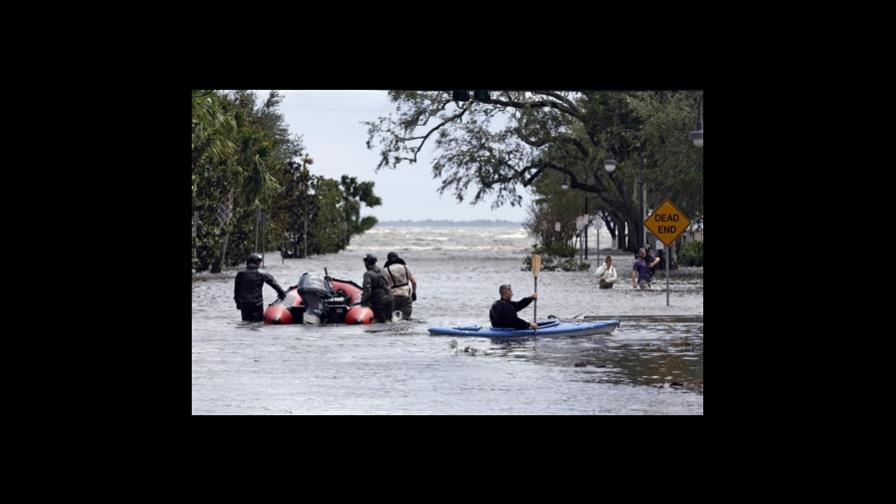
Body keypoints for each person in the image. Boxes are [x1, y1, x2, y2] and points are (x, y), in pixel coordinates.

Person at [234, 253, 286, 322]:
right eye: (259, 262)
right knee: (257, 324)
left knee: (245, 323)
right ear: (257, 263)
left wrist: (237, 303)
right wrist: (282, 295)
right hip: (257, 304)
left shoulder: (240, 274)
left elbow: (236, 290)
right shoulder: (262, 274)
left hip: (244, 304)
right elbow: (274, 285)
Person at [361, 253, 394, 323]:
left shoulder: (367, 274)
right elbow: (390, 282)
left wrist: (363, 302)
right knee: (390, 320)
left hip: (379, 300)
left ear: (366, 263)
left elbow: (367, 290)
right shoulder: (383, 270)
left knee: (381, 322)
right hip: (390, 298)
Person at [384, 251, 417, 320]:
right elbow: (414, 282)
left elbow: (386, 286)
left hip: (393, 297)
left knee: (394, 318)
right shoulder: (405, 267)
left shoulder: (386, 270)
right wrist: (414, 293)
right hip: (406, 296)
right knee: (406, 319)